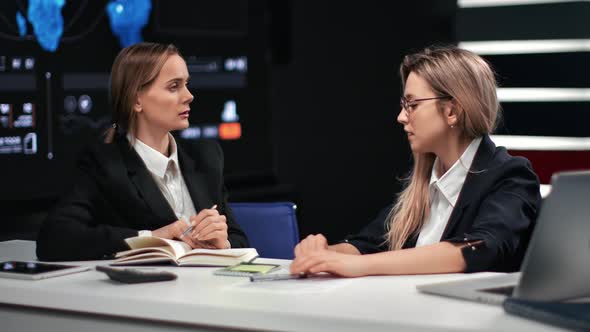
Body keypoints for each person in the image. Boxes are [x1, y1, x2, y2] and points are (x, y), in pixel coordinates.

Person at [290, 46, 541, 277]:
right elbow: (367, 244)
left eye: (412, 105)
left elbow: (480, 248)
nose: (401, 117)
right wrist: (323, 253)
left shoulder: (510, 176)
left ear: (452, 110)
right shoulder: (423, 180)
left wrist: (358, 266)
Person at [37, 42, 248, 261]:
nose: (189, 96)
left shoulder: (206, 156)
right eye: (174, 86)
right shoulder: (104, 163)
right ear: (137, 99)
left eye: (186, 84)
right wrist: (152, 238)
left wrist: (224, 243)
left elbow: (240, 240)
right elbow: (54, 239)